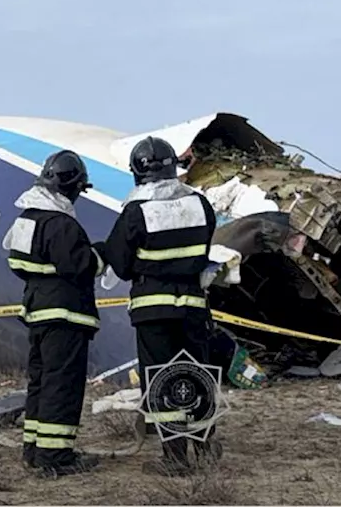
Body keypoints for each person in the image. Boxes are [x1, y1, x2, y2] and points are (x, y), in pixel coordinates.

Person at [100, 136, 222, 476]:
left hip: (154, 311)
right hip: (194, 307)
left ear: (138, 172)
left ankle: (176, 458)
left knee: (162, 380)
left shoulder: (136, 211)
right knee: (198, 374)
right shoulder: (200, 205)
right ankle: (206, 443)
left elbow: (120, 264)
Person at [7, 150, 105, 477]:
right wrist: (102, 254)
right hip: (64, 316)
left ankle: (34, 450)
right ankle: (56, 457)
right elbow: (80, 267)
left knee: (42, 381)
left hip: (37, 312)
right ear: (73, 187)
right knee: (62, 384)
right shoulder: (61, 224)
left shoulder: (27, 219)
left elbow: (17, 264)